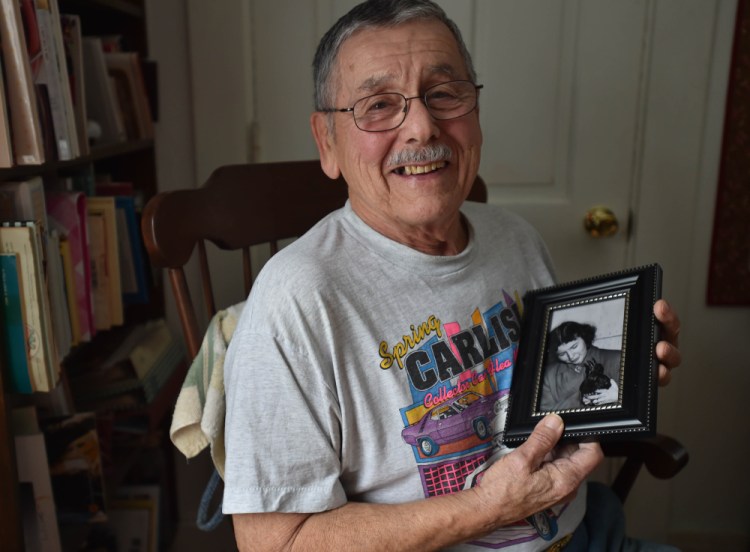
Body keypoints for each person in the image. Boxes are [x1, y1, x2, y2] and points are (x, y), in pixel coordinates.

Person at [222, 1, 682, 550]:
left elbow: (547, 406)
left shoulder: (514, 236)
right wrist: (486, 508)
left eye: (444, 94)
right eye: (377, 104)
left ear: (476, 110)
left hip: (591, 532)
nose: (421, 126)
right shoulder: (295, 299)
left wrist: (621, 376)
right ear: (327, 143)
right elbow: (275, 544)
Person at [540, 321, 621, 411]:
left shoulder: (617, 359)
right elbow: (544, 417)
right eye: (562, 354)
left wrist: (619, 398)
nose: (571, 356)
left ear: (585, 338)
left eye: (574, 347)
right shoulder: (548, 375)